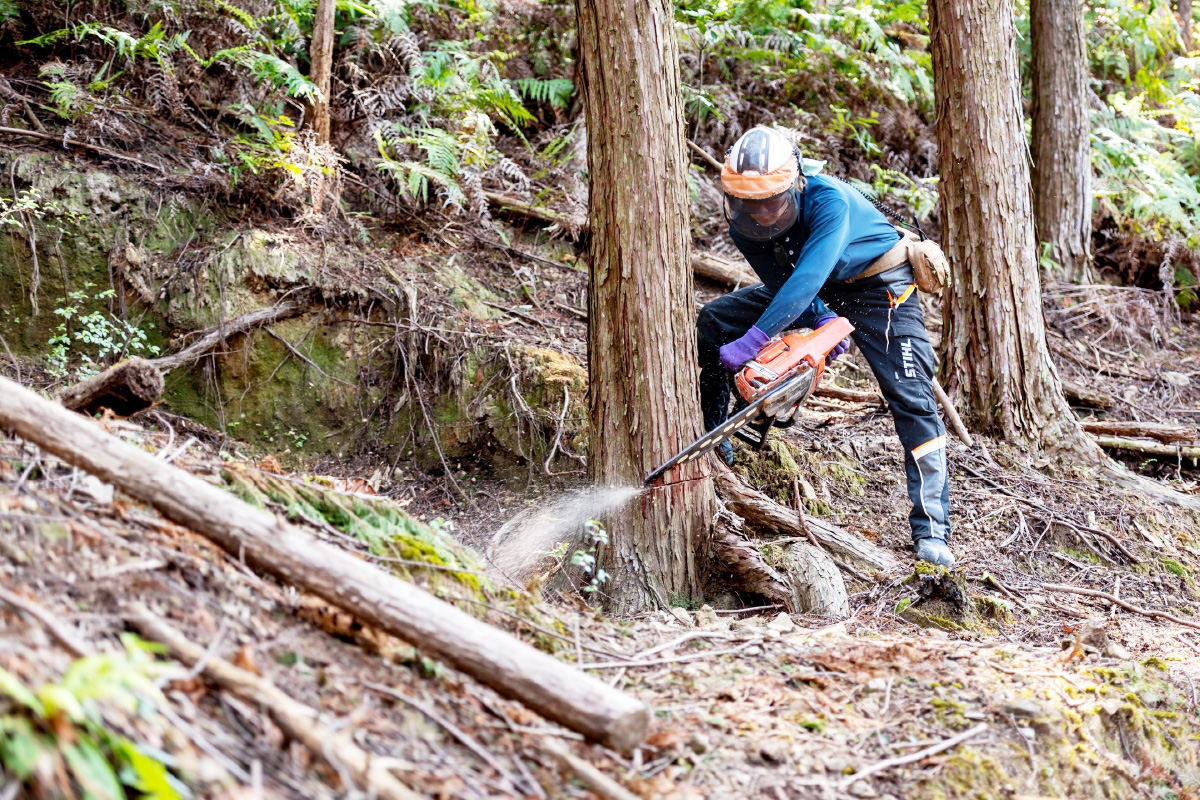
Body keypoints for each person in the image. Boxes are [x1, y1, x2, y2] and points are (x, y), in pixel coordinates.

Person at [697, 125, 953, 567]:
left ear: (794, 184)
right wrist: (821, 318)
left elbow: (805, 277)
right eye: (748, 202)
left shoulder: (829, 201)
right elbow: (782, 282)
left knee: (912, 398)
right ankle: (715, 432)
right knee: (715, 320)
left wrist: (757, 339)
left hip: (880, 286)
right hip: (817, 286)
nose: (760, 212)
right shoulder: (744, 221)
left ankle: (932, 530)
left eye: (771, 201)